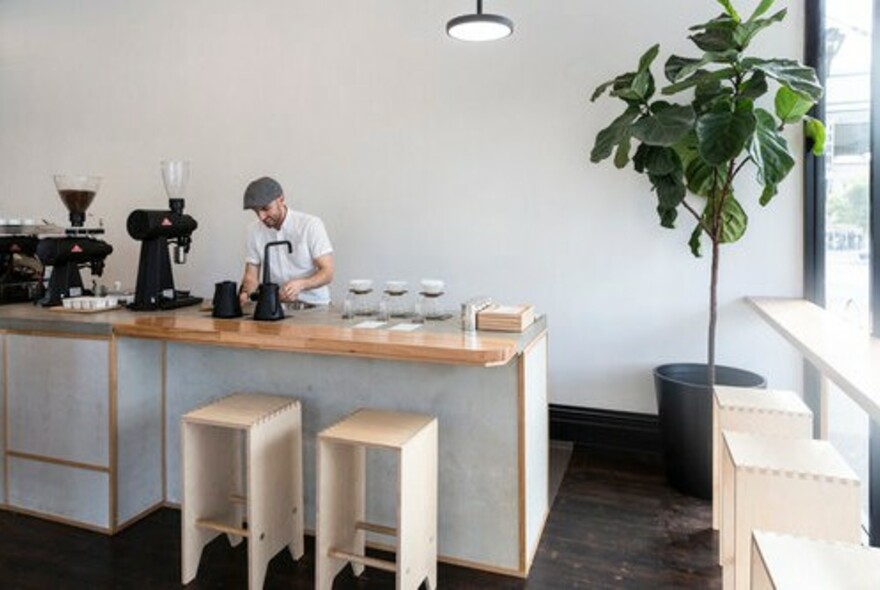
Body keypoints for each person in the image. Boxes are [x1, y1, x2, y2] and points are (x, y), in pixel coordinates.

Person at [239, 176, 334, 308]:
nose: (261, 217)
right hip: (277, 306)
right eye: (256, 211)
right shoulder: (254, 231)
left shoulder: (310, 225)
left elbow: (328, 272)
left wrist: (301, 284)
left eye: (266, 209)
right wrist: (245, 294)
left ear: (281, 200)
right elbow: (251, 276)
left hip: (315, 305)